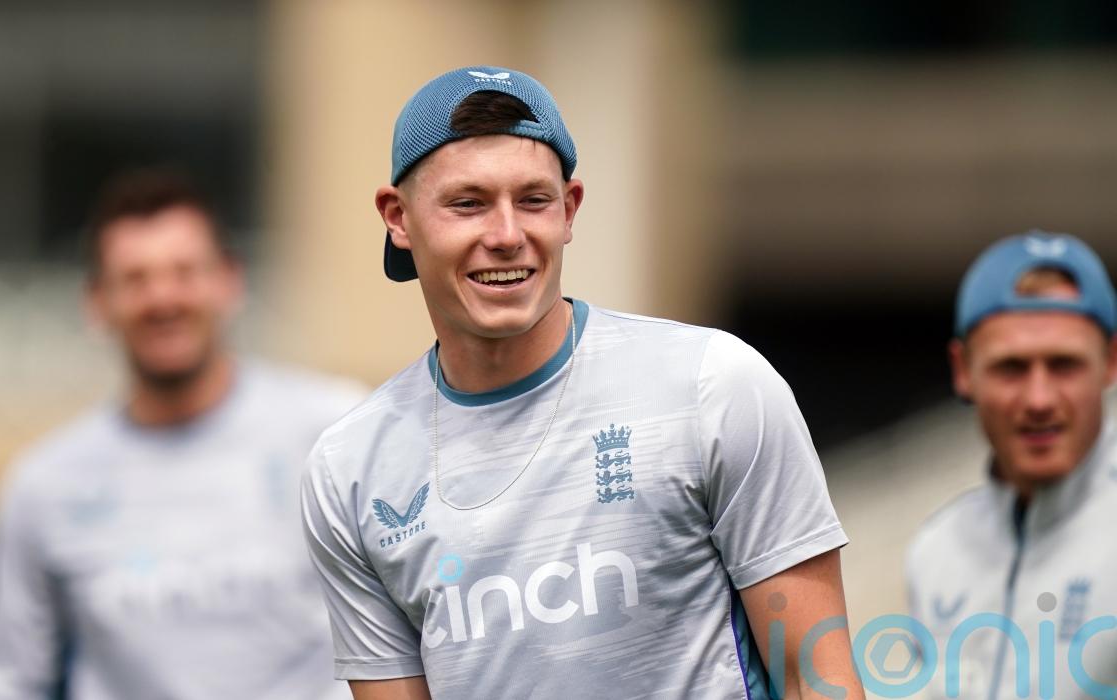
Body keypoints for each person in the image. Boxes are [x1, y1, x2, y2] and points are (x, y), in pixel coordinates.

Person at [301, 65, 863, 700]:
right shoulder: (351, 467)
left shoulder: (712, 385)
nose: (507, 236)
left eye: (533, 200)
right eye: (468, 203)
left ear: (569, 209)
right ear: (398, 218)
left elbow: (817, 679)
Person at [0, 169, 366, 700]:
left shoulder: (337, 433)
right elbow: (9, 682)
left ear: (230, 280)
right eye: (135, 279)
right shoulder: (44, 485)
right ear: (96, 302)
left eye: (185, 272)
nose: (163, 298)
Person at [907, 231, 1117, 698]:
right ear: (963, 370)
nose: (1039, 399)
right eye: (1011, 368)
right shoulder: (935, 551)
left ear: (1111, 361)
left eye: (1064, 364)